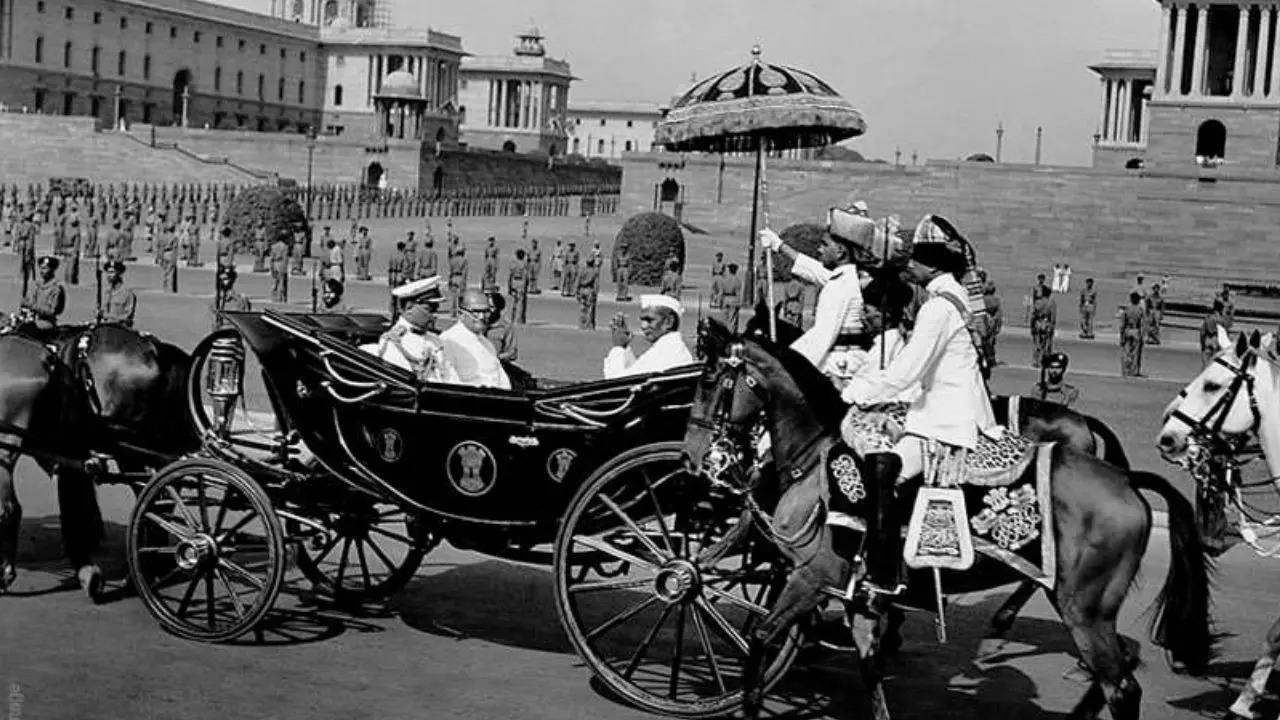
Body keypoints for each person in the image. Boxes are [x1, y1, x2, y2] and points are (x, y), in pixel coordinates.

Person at [841, 214, 1000, 600]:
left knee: (883, 468)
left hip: (946, 421)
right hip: (946, 407)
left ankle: (883, 572)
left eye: (915, 258)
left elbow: (906, 372)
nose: (909, 264)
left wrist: (854, 394)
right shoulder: (952, 295)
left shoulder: (937, 308)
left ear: (933, 263)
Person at [758, 205, 871, 389]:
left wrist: (783, 363)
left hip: (837, 371)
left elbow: (821, 338)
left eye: (825, 245)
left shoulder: (839, 286)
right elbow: (816, 271)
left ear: (841, 251)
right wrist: (779, 245)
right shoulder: (848, 278)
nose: (819, 250)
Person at [361, 278, 458, 384]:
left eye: (436, 310)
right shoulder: (394, 342)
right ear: (409, 308)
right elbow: (404, 384)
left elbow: (451, 378)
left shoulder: (435, 340)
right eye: (429, 309)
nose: (435, 316)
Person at [603, 294, 694, 379]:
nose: (643, 326)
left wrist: (618, 347)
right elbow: (634, 373)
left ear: (668, 322)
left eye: (649, 320)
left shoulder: (666, 351)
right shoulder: (671, 347)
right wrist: (624, 348)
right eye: (642, 320)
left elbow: (617, 383)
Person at [441, 290, 511, 389]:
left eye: (486, 311)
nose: (482, 317)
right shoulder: (449, 342)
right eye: (476, 312)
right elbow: (450, 385)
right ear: (460, 314)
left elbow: (502, 381)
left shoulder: (487, 344)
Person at [21, 256, 66, 331]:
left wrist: (32, 306)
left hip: (46, 322)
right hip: (33, 318)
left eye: (45, 268)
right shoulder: (38, 285)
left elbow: (51, 311)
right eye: (41, 268)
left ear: (52, 270)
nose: (42, 271)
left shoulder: (56, 289)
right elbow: (32, 301)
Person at [211, 265, 252, 332]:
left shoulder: (241, 299)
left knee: (242, 300)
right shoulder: (218, 298)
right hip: (223, 293)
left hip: (228, 292)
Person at [98, 260, 137, 327]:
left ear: (119, 274)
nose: (109, 275)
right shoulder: (107, 293)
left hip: (120, 330)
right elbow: (103, 311)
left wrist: (108, 316)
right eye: (108, 272)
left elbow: (127, 317)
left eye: (112, 272)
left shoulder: (127, 293)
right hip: (105, 329)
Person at [1118, 291, 1146, 377]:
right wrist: (1142, 335)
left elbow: (1122, 324)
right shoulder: (1140, 311)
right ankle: (1133, 371)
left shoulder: (1126, 310)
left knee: (1126, 352)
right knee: (1135, 353)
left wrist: (1121, 336)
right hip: (1136, 331)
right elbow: (1142, 324)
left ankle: (1126, 370)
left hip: (1127, 330)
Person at [486, 292, 518, 362]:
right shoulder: (474, 324)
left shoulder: (505, 327)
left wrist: (497, 357)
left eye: (491, 307)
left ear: (498, 308)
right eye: (486, 307)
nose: (488, 311)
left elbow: (511, 352)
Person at [1029, 284, 1056, 369]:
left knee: (1037, 343)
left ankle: (1036, 361)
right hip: (1046, 324)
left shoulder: (1037, 302)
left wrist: (1031, 326)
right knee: (1046, 344)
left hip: (1038, 323)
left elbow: (1033, 315)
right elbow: (1053, 317)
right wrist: (1052, 327)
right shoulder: (1051, 303)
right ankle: (1043, 361)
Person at [1200, 299, 1228, 366]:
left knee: (1206, 365)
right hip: (1215, 341)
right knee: (1215, 365)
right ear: (1221, 309)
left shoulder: (1208, 317)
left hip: (1207, 340)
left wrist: (1202, 345)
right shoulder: (1220, 319)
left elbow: (1202, 332)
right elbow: (1225, 329)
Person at [577, 256, 600, 330]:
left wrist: (577, 291)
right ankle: (589, 325)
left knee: (583, 308)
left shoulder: (582, 271)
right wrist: (595, 292)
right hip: (589, 290)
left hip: (582, 290)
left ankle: (582, 324)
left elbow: (578, 281)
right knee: (590, 309)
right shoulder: (594, 272)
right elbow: (596, 284)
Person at [720, 263, 743, 330]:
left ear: (729, 270)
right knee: (733, 319)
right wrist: (739, 303)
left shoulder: (724, 279)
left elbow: (721, 291)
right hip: (734, 299)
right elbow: (738, 293)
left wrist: (720, 301)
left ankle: (724, 331)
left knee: (724, 318)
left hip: (725, 298)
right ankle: (731, 332)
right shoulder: (738, 281)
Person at [269, 235, 289, 303]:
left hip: (275, 263)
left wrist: (271, 267)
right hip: (281, 263)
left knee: (275, 282)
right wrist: (285, 268)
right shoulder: (285, 246)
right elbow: (285, 258)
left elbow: (271, 258)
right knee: (282, 282)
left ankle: (274, 297)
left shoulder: (273, 246)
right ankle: (282, 298)